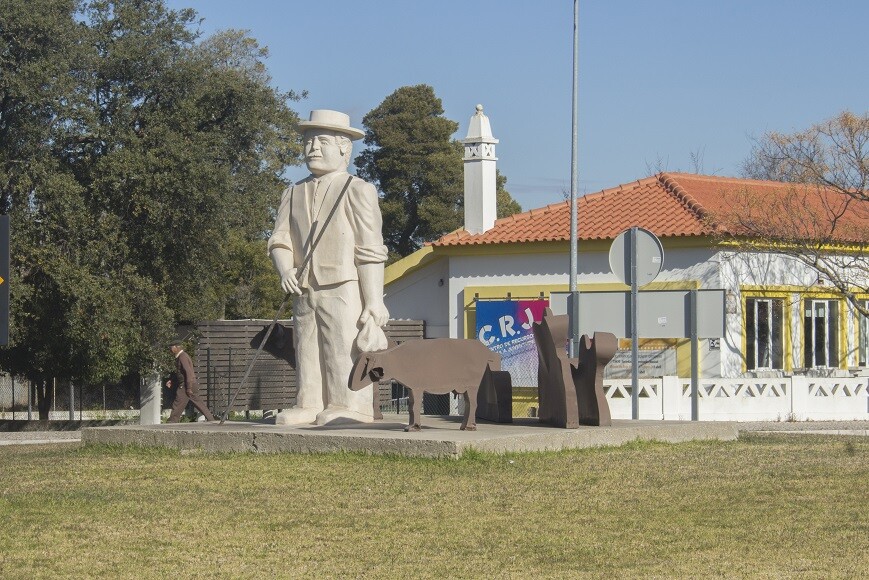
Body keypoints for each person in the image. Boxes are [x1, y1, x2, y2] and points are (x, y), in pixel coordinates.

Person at [268, 110, 389, 426]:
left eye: (321, 141)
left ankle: (348, 404)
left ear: (344, 149)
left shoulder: (357, 189)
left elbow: (370, 251)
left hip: (342, 285)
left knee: (341, 346)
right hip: (303, 286)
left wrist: (374, 301)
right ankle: (308, 403)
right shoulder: (291, 192)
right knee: (306, 348)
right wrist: (285, 270)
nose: (312, 149)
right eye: (308, 142)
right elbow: (279, 239)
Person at [166, 342, 216, 423]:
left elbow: (188, 372)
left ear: (177, 347)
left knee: (178, 403)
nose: (170, 349)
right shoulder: (181, 356)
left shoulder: (182, 357)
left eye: (171, 347)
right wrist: (172, 380)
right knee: (199, 403)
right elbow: (180, 372)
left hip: (186, 385)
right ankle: (212, 420)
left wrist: (188, 387)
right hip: (190, 384)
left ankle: (171, 422)